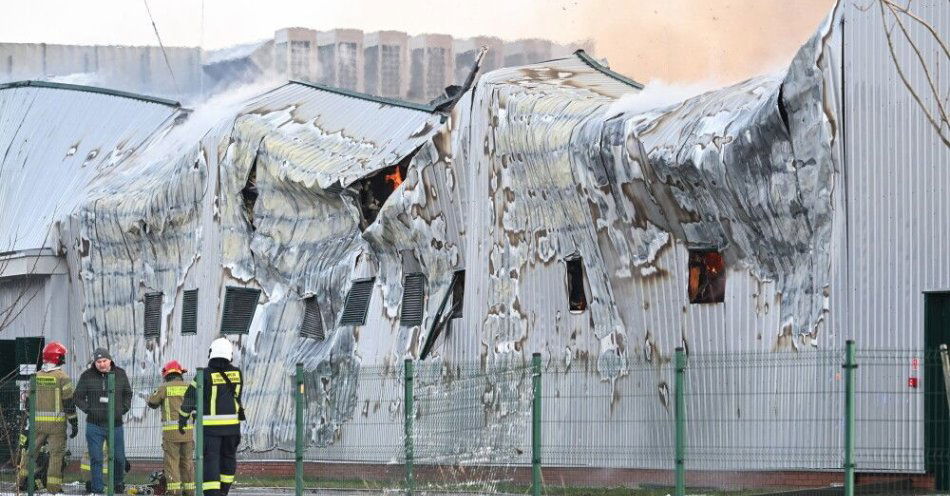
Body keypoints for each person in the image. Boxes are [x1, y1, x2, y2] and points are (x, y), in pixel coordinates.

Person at [179, 338, 244, 496]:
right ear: (229, 355)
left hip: (211, 429)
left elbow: (190, 398)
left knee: (211, 460)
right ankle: (224, 491)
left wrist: (182, 418)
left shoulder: (204, 375)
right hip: (233, 428)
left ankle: (212, 493)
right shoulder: (237, 373)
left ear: (211, 354)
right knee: (228, 458)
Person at [17, 341, 78, 494]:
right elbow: (69, 402)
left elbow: (28, 403)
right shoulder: (63, 377)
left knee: (30, 453)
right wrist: (74, 421)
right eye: (62, 356)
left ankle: (20, 484)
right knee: (56, 456)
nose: (63, 358)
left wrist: (32, 418)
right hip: (57, 426)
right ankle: (53, 489)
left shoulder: (35, 376)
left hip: (37, 425)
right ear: (57, 358)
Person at [74, 348, 132, 494]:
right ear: (95, 363)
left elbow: (128, 393)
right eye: (98, 362)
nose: (101, 364)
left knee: (119, 458)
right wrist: (88, 409)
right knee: (96, 458)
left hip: (116, 424)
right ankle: (97, 489)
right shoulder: (87, 376)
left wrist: (123, 408)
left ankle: (117, 483)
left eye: (104, 361)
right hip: (94, 425)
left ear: (110, 360)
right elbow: (77, 396)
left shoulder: (120, 374)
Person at [147, 360, 195, 496]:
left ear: (166, 374)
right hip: (188, 432)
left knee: (172, 462)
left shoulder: (165, 387)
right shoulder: (189, 387)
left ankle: (174, 491)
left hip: (171, 434)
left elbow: (152, 402)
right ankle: (190, 491)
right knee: (187, 462)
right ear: (180, 373)